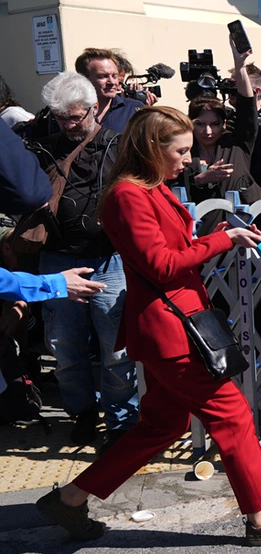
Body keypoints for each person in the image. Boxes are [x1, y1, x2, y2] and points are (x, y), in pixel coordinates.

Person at [36, 106, 261, 545]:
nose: (189, 159)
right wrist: (221, 240)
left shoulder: (148, 189)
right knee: (232, 415)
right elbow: (162, 265)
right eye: (181, 151)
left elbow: (170, 251)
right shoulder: (129, 195)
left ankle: (70, 499)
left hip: (174, 322)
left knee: (161, 427)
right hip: (171, 328)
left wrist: (217, 235)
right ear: (153, 148)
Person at [32, 72, 139, 448]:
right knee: (63, 346)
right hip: (57, 258)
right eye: (61, 118)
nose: (69, 125)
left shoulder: (119, 145)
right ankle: (82, 412)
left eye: (75, 117)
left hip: (109, 258)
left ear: (95, 108)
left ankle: (121, 419)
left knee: (116, 348)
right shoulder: (43, 148)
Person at [180, 36, 261, 209]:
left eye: (215, 124)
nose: (208, 131)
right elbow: (168, 189)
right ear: (190, 124)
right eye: (200, 124)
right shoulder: (184, 153)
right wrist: (199, 179)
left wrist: (240, 65)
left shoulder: (237, 144)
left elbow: (247, 107)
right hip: (206, 224)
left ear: (224, 124)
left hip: (250, 222)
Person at [74, 48, 145, 134]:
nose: (112, 82)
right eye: (103, 76)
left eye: (114, 76)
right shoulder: (68, 111)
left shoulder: (134, 110)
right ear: (83, 79)